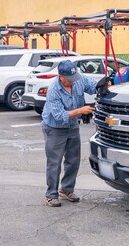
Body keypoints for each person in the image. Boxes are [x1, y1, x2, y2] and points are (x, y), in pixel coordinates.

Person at [39, 60, 96, 207]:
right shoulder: (53, 90)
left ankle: (66, 189)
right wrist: (81, 111)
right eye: (69, 79)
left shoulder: (79, 79)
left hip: (72, 126)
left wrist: (107, 84)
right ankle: (51, 195)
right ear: (60, 76)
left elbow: (93, 87)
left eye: (74, 78)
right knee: (54, 162)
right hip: (54, 127)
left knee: (73, 160)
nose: (72, 81)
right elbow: (59, 116)